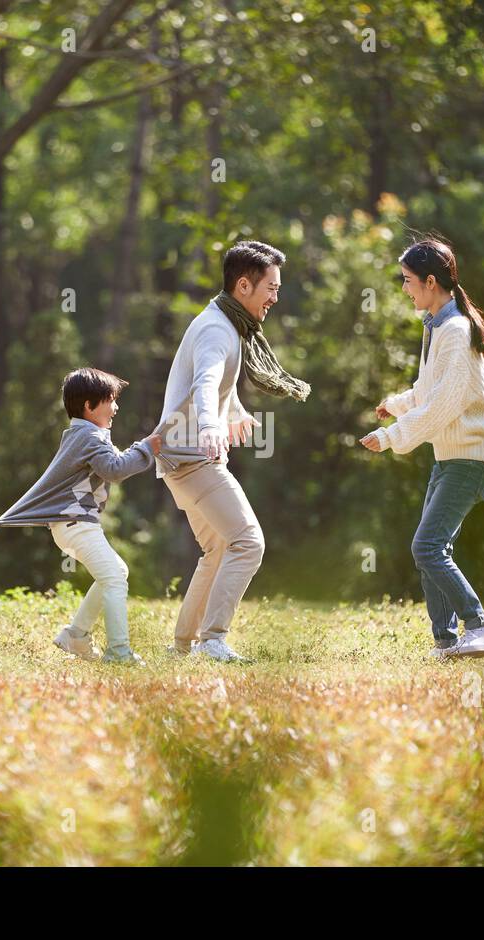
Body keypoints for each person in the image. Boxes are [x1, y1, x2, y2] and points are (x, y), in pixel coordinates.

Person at [154, 240, 311, 662]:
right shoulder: (216, 330)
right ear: (244, 285)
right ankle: (214, 639)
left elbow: (218, 382)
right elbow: (204, 382)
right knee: (249, 542)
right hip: (193, 457)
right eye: (271, 289)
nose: (276, 298)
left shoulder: (224, 322)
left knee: (218, 549)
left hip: (177, 457)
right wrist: (209, 425)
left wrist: (235, 411)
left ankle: (184, 645)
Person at [361, 236, 484, 659]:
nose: (404, 288)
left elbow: (445, 405)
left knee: (426, 547)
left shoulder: (456, 331)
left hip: (470, 461)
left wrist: (392, 437)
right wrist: (395, 405)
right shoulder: (441, 328)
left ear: (431, 282)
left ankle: (480, 627)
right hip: (451, 459)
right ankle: (446, 642)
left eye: (408, 280)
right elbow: (430, 390)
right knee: (431, 551)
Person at [0, 368, 162, 664]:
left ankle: (76, 636)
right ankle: (118, 651)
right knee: (114, 579)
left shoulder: (84, 435)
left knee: (116, 573)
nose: (116, 407)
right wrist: (144, 449)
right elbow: (115, 469)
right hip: (76, 525)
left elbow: (112, 462)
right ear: (88, 405)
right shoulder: (89, 437)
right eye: (110, 400)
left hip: (74, 526)